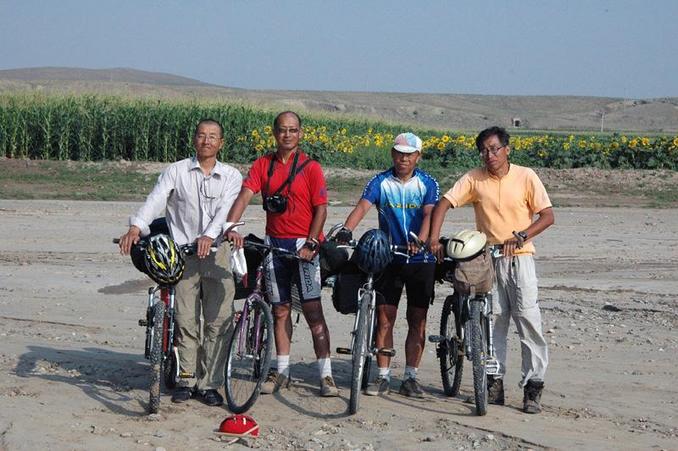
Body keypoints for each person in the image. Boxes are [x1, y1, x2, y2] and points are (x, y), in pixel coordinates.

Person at [429, 126, 554, 414]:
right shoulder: (475, 178)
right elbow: (444, 202)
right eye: (484, 150)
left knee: (528, 321)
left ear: (507, 149)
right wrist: (434, 239)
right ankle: (494, 383)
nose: (490, 155)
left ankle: (533, 386)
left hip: (519, 257)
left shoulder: (526, 176)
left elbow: (547, 215)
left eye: (495, 148)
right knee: (492, 322)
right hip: (487, 258)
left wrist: (522, 234)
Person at [118, 118, 243, 407]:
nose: (207, 141)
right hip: (184, 254)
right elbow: (156, 199)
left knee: (218, 321)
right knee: (185, 319)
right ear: (194, 140)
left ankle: (210, 383)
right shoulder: (176, 171)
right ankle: (186, 379)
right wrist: (137, 227)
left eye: (213, 137)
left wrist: (210, 236)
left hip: (218, 253)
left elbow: (226, 211)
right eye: (201, 135)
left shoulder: (231, 176)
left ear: (221, 143)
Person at [226, 111, 339, 397]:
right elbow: (245, 194)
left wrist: (312, 243)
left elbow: (321, 208)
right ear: (275, 133)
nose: (287, 135)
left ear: (300, 134)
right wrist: (231, 225)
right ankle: (282, 370)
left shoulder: (311, 167)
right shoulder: (264, 164)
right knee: (280, 310)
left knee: (313, 312)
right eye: (282, 130)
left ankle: (326, 375)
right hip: (275, 244)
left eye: (293, 130)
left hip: (304, 245)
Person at [335, 132, 440, 398]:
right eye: (399, 153)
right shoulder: (380, 181)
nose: (403, 158)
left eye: (409, 154)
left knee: (417, 319)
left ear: (418, 156)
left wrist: (423, 240)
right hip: (389, 257)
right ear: (392, 154)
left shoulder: (428, 183)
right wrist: (347, 230)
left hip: (420, 258)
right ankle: (382, 376)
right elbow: (362, 207)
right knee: (384, 319)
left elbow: (430, 213)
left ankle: (410, 377)